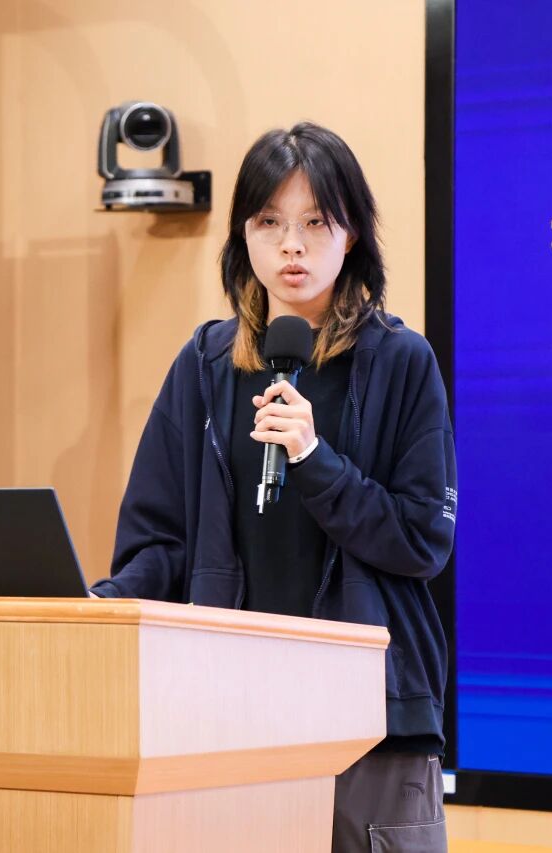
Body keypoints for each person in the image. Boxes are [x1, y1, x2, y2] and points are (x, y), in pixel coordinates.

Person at [89, 123, 456, 852]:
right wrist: (104, 602)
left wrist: (316, 459)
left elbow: (422, 539)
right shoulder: (205, 366)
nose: (292, 246)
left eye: (315, 222)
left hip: (369, 720)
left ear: (352, 235)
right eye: (269, 222)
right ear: (243, 236)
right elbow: (161, 541)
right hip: (230, 715)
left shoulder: (402, 362)